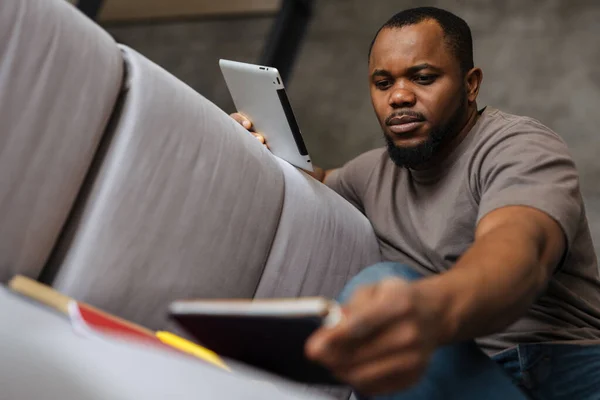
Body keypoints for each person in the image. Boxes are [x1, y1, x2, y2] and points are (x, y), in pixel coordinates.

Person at [232, 7, 600, 400]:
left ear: (470, 84)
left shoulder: (520, 147)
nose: (400, 96)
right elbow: (316, 182)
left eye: (423, 78)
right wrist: (255, 144)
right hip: (465, 372)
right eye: (383, 82)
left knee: (379, 283)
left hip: (563, 371)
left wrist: (426, 307)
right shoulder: (373, 174)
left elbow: (520, 251)